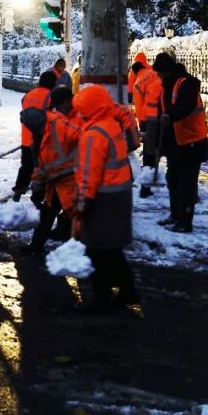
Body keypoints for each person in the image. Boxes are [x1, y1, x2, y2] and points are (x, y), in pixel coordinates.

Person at [71, 85, 139, 312]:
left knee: (95, 249)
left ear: (89, 109)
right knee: (112, 249)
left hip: (102, 199)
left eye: (81, 109)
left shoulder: (94, 135)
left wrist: (81, 205)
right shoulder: (110, 125)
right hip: (119, 194)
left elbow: (89, 175)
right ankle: (128, 291)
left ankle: (102, 297)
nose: (79, 113)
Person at [151, 53, 208, 233]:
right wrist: (159, 145)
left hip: (192, 142)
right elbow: (161, 115)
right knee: (173, 179)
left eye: (159, 72)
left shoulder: (187, 84)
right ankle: (175, 215)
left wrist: (170, 116)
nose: (157, 76)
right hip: (176, 143)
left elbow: (184, 106)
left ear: (166, 71)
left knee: (186, 183)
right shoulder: (165, 87)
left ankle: (185, 222)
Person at [20, 86, 80, 253]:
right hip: (56, 182)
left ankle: (80, 254)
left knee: (75, 217)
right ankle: (36, 246)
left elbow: (84, 139)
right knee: (47, 213)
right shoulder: (41, 134)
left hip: (71, 180)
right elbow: (42, 161)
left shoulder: (60, 124)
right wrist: (37, 181)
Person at [12, 71, 59, 202]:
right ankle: (37, 198)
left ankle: (18, 191)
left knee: (26, 167)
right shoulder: (50, 97)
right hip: (40, 141)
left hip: (26, 138)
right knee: (41, 170)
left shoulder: (28, 94)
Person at [132, 60, 164, 171]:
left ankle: (149, 167)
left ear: (135, 72)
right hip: (164, 112)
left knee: (149, 145)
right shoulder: (155, 73)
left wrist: (142, 126)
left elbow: (139, 107)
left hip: (149, 117)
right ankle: (156, 163)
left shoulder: (138, 84)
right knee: (160, 141)